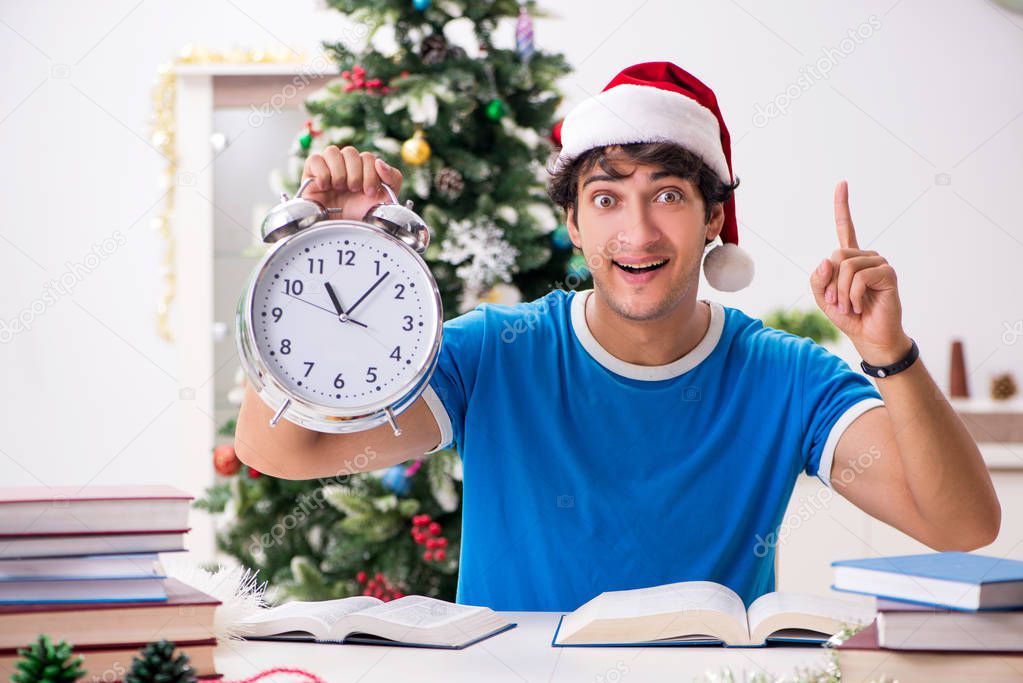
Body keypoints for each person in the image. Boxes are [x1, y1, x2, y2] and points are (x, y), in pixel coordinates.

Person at [236, 61, 1000, 613]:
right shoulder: (493, 357)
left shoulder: (785, 378)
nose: (636, 231)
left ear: (712, 219)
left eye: (667, 194)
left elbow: (959, 524)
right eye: (605, 198)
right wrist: (312, 255)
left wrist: (888, 353)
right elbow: (279, 450)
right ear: (573, 223)